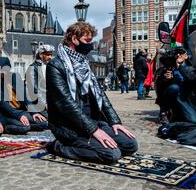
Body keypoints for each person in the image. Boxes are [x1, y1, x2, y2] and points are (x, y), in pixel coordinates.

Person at [46, 21, 138, 164]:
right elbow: (65, 103)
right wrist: (93, 130)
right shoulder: (56, 65)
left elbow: (100, 94)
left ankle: (93, 140)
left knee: (130, 144)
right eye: (87, 40)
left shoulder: (84, 63)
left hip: (93, 121)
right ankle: (59, 146)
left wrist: (114, 121)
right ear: (74, 39)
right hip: (69, 125)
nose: (90, 45)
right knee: (111, 154)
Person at [0, 57, 48, 134]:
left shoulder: (15, 77)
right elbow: (2, 103)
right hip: (6, 113)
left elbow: (25, 97)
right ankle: (5, 127)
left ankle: (23, 124)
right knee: (24, 127)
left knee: (43, 123)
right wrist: (18, 116)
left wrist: (34, 112)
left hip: (19, 110)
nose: (0, 72)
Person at [155, 47, 196, 124]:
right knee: (174, 87)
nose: (178, 55)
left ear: (186, 56)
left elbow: (191, 78)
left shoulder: (190, 68)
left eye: (181, 53)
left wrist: (179, 66)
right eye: (177, 54)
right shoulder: (169, 68)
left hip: (184, 99)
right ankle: (164, 113)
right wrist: (166, 79)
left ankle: (178, 114)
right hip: (172, 96)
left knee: (194, 121)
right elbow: (159, 86)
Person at [25, 44, 55, 117]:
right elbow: (34, 89)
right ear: (41, 55)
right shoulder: (32, 68)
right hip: (37, 104)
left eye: (51, 55)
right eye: (48, 55)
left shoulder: (50, 66)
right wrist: (44, 104)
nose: (50, 57)